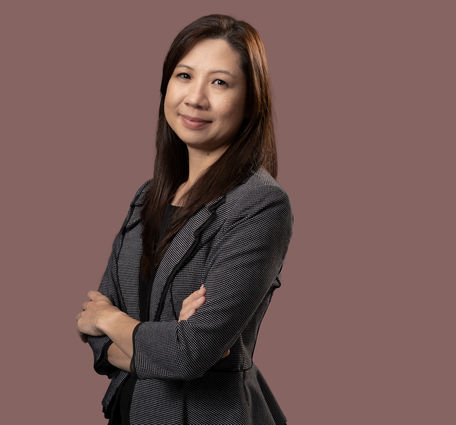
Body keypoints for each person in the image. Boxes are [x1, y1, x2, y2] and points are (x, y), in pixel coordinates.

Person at [76, 14, 292, 425]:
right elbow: (98, 343)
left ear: (250, 101)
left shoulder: (260, 205)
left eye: (220, 82)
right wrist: (163, 343)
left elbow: (189, 352)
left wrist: (111, 319)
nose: (195, 98)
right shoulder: (148, 197)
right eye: (184, 75)